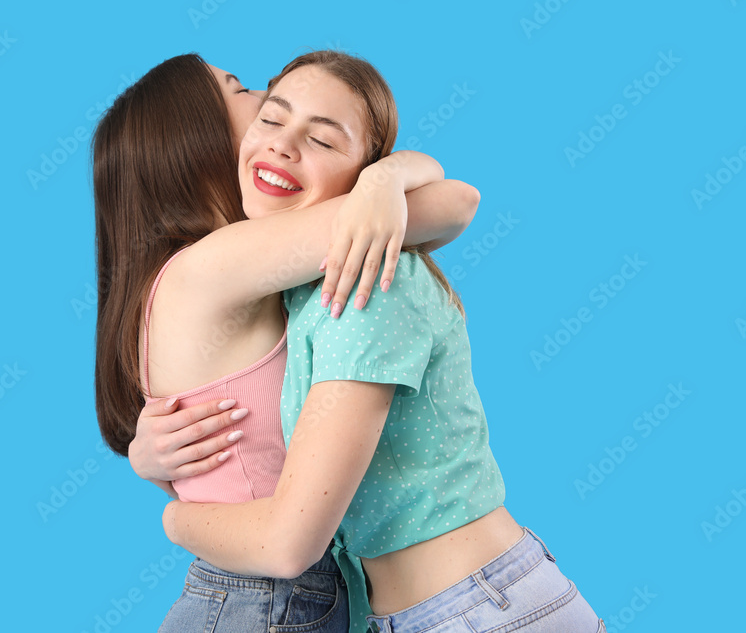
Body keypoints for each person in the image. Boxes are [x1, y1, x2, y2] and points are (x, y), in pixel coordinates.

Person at [151, 51, 605, 632]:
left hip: (477, 611)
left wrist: (176, 519)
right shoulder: (304, 290)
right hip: (441, 609)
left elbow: (291, 541)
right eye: (271, 118)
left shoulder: (363, 287)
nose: (284, 146)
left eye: (323, 140)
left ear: (360, 178)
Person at [92, 51, 480, 633]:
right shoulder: (217, 265)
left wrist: (381, 177)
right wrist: (386, 180)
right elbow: (453, 205)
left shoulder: (203, 273)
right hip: (268, 600)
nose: (267, 102)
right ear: (196, 137)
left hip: (272, 596)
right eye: (241, 90)